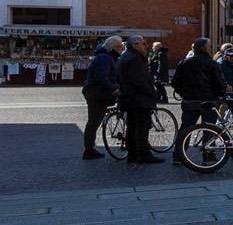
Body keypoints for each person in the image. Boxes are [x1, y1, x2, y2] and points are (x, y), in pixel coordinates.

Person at [171, 38, 225, 166]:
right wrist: (219, 94)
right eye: (209, 46)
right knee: (209, 129)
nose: (211, 49)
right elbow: (219, 83)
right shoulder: (211, 63)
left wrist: (184, 94)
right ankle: (208, 156)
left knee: (186, 128)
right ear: (203, 48)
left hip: (190, 101)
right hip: (208, 101)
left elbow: (175, 83)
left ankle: (178, 156)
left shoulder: (184, 63)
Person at [117, 35, 164, 164]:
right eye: (143, 43)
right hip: (138, 99)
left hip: (130, 98)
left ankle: (133, 154)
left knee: (132, 127)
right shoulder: (134, 58)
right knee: (141, 127)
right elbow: (138, 80)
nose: (146, 46)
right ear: (135, 45)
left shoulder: (126, 56)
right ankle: (143, 154)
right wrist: (151, 92)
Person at [81, 35, 123, 159]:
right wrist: (114, 88)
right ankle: (89, 150)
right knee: (94, 121)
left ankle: (90, 148)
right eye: (119, 47)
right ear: (112, 47)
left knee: (95, 121)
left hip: (99, 92)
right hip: (96, 93)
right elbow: (101, 77)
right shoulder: (104, 58)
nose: (122, 49)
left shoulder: (109, 57)